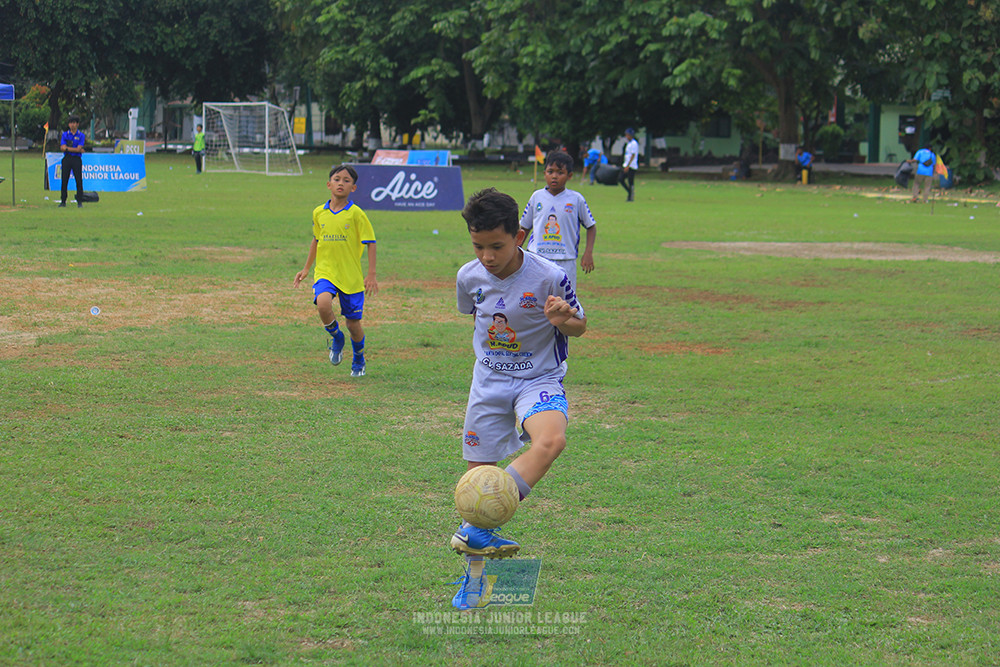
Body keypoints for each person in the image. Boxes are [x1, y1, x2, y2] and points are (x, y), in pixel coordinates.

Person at [450, 187, 587, 610]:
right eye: (478, 246)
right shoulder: (467, 276)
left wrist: (565, 321)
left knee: (551, 441)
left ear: (519, 237)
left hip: (539, 379)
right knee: (477, 494)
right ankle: (473, 586)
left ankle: (479, 527)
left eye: (497, 246)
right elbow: (474, 315)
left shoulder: (549, 276)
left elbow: (579, 326)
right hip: (488, 383)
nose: (487, 256)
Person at [293, 165, 378, 376]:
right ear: (329, 184)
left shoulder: (356, 214)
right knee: (322, 304)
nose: (341, 183)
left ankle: (358, 357)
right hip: (325, 271)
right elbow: (316, 240)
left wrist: (371, 274)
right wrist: (306, 268)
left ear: (354, 187)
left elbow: (371, 242)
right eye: (337, 179)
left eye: (347, 180)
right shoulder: (319, 212)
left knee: (353, 324)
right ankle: (337, 337)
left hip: (350, 276)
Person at [518, 150, 597, 288]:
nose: (554, 176)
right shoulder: (536, 197)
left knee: (565, 302)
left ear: (569, 175)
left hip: (566, 260)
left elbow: (591, 227)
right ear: (544, 173)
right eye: (550, 171)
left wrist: (588, 253)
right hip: (538, 258)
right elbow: (524, 226)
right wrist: (515, 251)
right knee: (535, 299)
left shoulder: (576, 199)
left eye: (560, 173)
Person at [59, 115, 85, 208]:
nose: (72, 125)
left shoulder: (81, 135)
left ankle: (79, 201)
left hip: (76, 159)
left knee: (78, 180)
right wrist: (72, 149)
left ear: (77, 124)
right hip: (67, 159)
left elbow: (79, 149)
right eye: (71, 123)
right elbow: (62, 147)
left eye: (74, 123)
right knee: (64, 180)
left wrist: (67, 148)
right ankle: (63, 201)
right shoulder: (65, 134)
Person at [619, 128, 639, 201]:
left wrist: (628, 165)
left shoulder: (634, 143)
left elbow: (633, 155)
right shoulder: (629, 143)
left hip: (631, 166)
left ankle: (630, 196)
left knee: (630, 181)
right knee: (621, 179)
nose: (626, 136)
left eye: (627, 135)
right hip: (626, 164)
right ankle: (630, 192)